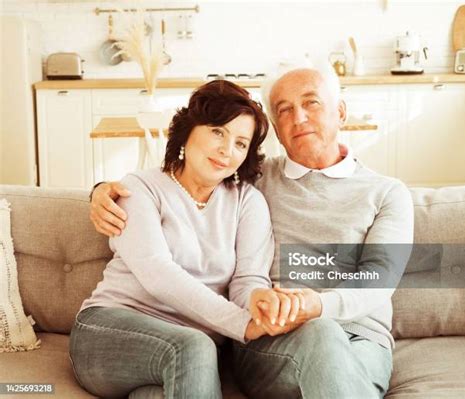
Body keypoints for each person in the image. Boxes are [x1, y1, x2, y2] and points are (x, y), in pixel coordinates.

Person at [90, 63, 414, 398]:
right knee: (321, 335)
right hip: (273, 342)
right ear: (275, 127)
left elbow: (380, 276)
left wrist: (317, 305)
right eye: (284, 110)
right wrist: (101, 190)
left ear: (341, 112)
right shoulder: (254, 180)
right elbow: (185, 183)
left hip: (361, 338)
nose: (298, 118)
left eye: (311, 103)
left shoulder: (388, 192)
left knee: (326, 337)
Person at [70, 79, 298, 399]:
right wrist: (242, 324)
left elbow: (247, 279)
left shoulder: (248, 202)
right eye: (217, 131)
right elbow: (157, 273)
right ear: (189, 130)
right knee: (192, 346)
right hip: (110, 331)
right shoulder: (140, 188)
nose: (226, 150)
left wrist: (259, 302)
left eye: (240, 143)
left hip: (188, 356)